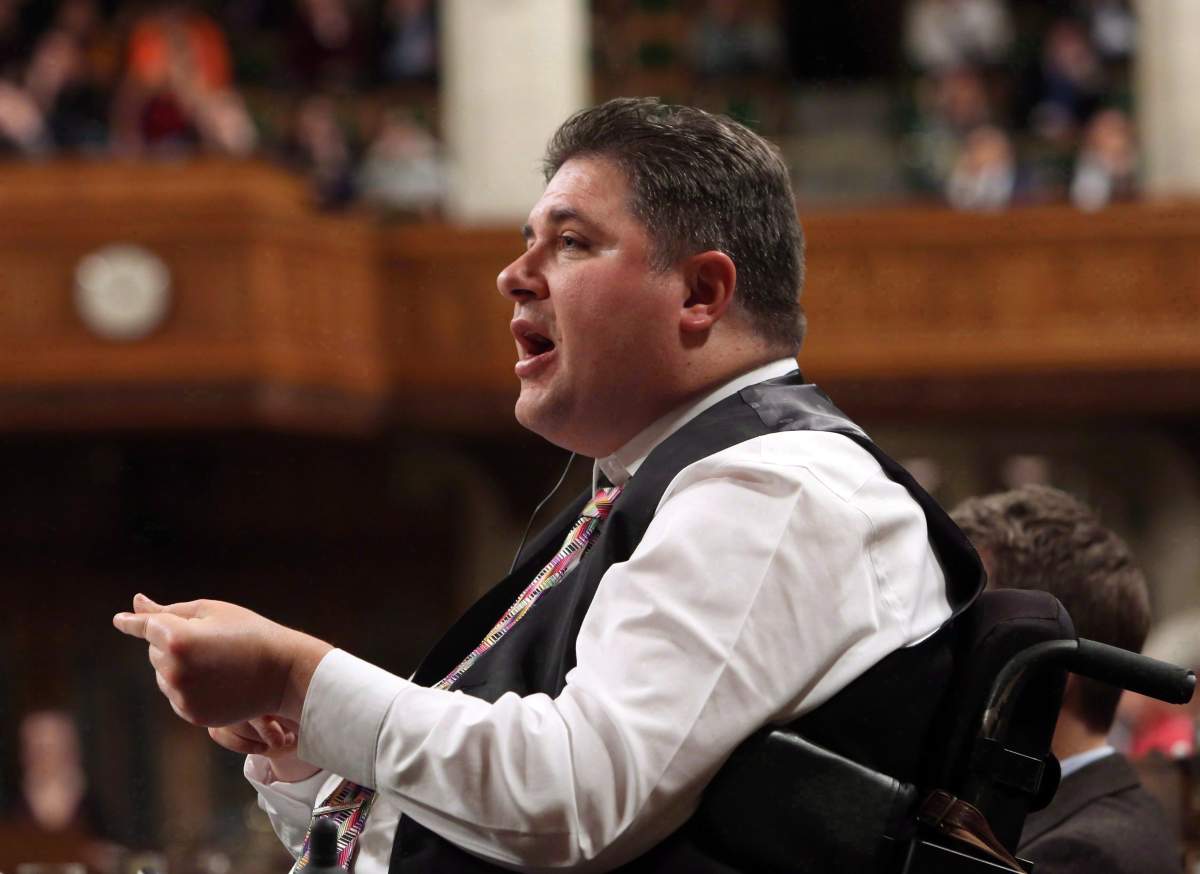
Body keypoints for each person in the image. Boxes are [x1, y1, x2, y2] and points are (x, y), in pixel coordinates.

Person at [113, 97, 983, 872]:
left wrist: (300, 677)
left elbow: (574, 799)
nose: (513, 275)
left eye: (569, 242)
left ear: (701, 292)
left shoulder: (778, 487)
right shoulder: (656, 488)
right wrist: (300, 741)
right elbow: (468, 820)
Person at [951, 484, 1183, 874]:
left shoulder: (1085, 853)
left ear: (1047, 665)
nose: (946, 650)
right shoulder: (1072, 816)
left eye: (970, 627)